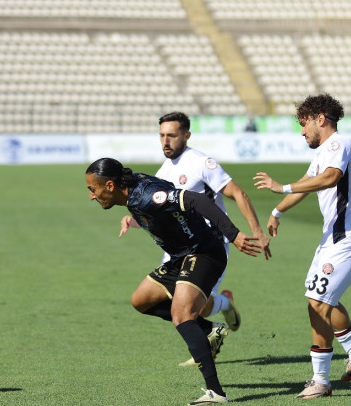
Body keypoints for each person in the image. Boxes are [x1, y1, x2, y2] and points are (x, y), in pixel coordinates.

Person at [86, 158, 262, 405]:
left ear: (111, 185)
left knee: (182, 316)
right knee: (141, 301)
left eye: (92, 189)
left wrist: (233, 235)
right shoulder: (132, 189)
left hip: (203, 252)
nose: (92, 196)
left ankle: (216, 392)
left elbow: (196, 200)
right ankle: (209, 329)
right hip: (180, 257)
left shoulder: (147, 195)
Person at [119, 112, 271, 365]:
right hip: (177, 247)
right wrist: (133, 220)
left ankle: (222, 306)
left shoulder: (202, 163)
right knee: (170, 301)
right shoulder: (164, 171)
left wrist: (257, 232)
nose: (165, 141)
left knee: (192, 305)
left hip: (208, 245)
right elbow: (160, 210)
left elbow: (238, 193)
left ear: (186, 136)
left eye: (172, 135)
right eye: (162, 136)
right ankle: (209, 332)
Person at [253, 93, 351, 399]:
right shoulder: (324, 152)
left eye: (303, 123)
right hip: (334, 238)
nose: (302, 131)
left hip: (348, 238)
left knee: (319, 301)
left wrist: (282, 186)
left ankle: (321, 381)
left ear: (320, 118)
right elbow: (308, 182)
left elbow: (330, 179)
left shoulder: (338, 144)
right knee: (319, 300)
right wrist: (277, 210)